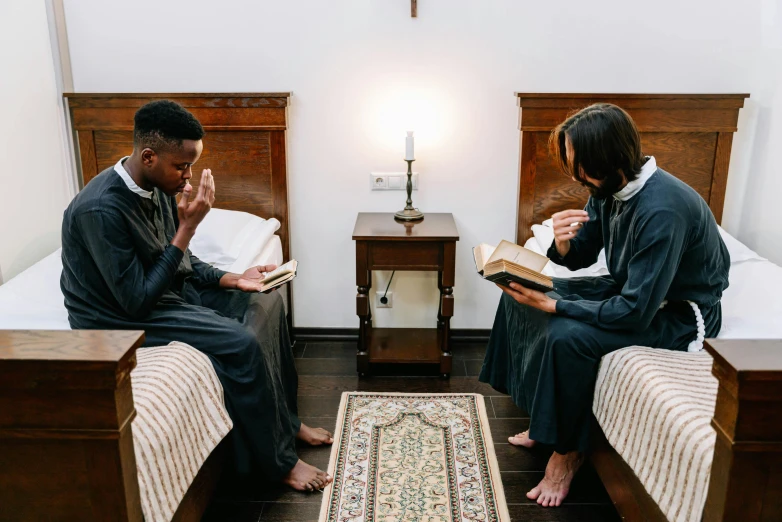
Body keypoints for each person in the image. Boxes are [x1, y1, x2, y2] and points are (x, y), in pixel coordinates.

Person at [61, 100, 332, 492]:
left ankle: (288, 423)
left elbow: (183, 260)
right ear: (149, 156)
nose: (187, 178)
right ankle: (281, 463)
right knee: (240, 342)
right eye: (181, 166)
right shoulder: (100, 210)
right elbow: (135, 300)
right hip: (117, 319)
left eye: (190, 166)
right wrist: (186, 228)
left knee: (266, 303)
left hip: (160, 295)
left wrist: (233, 278)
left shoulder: (157, 185)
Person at [479, 103, 730, 507]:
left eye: (582, 167)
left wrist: (557, 308)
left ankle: (566, 455)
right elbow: (582, 255)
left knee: (567, 336)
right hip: (630, 288)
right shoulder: (609, 187)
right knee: (520, 292)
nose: (577, 177)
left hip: (679, 312)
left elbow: (634, 312)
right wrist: (560, 244)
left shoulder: (663, 209)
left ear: (612, 158)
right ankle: (544, 424)